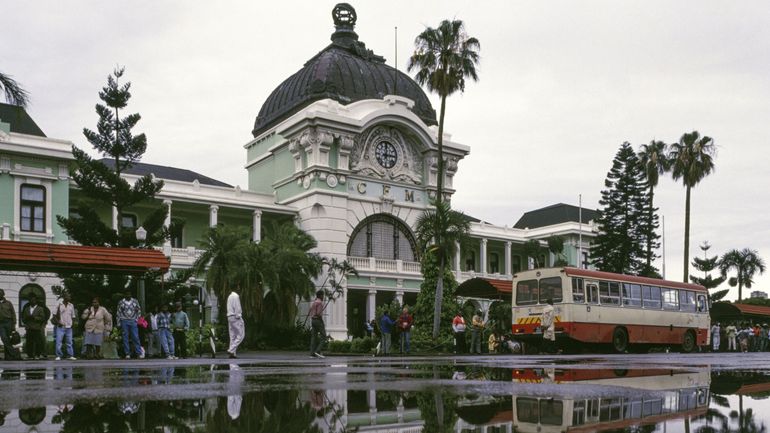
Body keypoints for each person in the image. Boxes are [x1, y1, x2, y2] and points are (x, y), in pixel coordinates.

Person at [117, 292, 143, 359]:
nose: (128, 295)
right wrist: (118, 323)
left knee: (135, 337)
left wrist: (137, 320)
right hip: (124, 321)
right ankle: (127, 353)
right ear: (124, 295)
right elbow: (118, 313)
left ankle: (138, 353)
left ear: (131, 295)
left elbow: (139, 311)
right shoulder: (121, 302)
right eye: (126, 294)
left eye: (129, 294)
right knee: (125, 337)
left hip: (133, 321)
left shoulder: (135, 301)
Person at [21, 295, 49, 360]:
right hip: (29, 327)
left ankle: (37, 354)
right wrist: (26, 322)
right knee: (29, 342)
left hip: (37, 327)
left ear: (36, 301)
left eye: (33, 300)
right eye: (30, 300)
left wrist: (35, 318)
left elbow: (42, 317)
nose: (32, 301)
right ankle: (30, 355)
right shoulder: (26, 308)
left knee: (38, 342)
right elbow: (23, 318)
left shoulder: (40, 308)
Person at [54, 293, 77, 361]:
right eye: (68, 296)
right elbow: (54, 315)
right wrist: (58, 322)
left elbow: (73, 316)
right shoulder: (59, 304)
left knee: (69, 342)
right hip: (61, 326)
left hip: (69, 326)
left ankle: (70, 355)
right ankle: (58, 355)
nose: (69, 297)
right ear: (64, 297)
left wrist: (72, 323)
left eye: (70, 296)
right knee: (59, 341)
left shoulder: (71, 305)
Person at [307, 290, 326, 358]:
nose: (323, 297)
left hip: (313, 320)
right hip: (318, 320)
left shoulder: (314, 302)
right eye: (322, 295)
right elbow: (318, 313)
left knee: (314, 337)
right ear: (320, 296)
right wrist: (321, 321)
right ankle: (318, 351)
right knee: (324, 336)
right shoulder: (320, 303)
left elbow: (310, 310)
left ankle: (312, 353)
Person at [227, 289, 245, 359]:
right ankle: (231, 350)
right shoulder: (236, 296)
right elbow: (237, 307)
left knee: (232, 336)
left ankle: (233, 354)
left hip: (229, 317)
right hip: (235, 317)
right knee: (241, 335)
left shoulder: (230, 296)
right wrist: (239, 316)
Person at [0, 289, 17, 360]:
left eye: (0, 293)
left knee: (8, 339)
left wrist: (14, 324)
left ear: (3, 294)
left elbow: (13, 313)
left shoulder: (8, 303)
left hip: (8, 322)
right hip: (1, 323)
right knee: (4, 338)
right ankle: (14, 354)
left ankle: (8, 357)